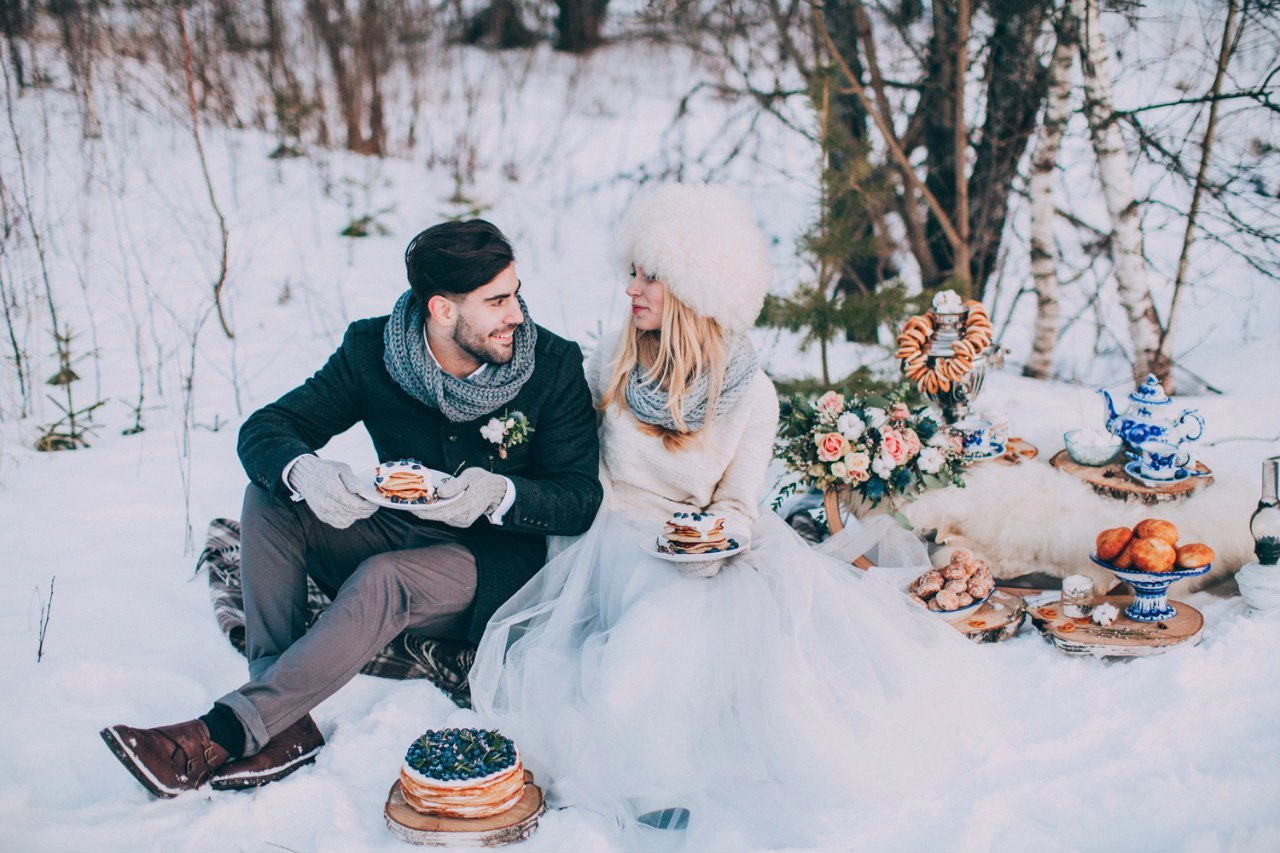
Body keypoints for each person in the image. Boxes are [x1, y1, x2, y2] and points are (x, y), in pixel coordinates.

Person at [468, 185, 978, 850]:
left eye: (651, 276)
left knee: (704, 624)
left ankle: (672, 769)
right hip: (608, 537)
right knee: (649, 628)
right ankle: (637, 769)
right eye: (633, 271)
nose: (633, 289)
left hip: (701, 547)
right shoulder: (612, 362)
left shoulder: (752, 395)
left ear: (694, 289)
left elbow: (739, 504)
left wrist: (711, 540)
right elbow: (578, 470)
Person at [101, 219, 602, 798]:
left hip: (491, 566)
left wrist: (500, 495)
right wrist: (306, 472)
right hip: (394, 525)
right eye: (497, 300)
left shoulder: (553, 365)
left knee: (382, 580)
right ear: (441, 310)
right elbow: (268, 428)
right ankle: (282, 720)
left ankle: (222, 731)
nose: (517, 313)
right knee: (268, 495)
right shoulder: (373, 351)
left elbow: (579, 498)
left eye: (515, 292)